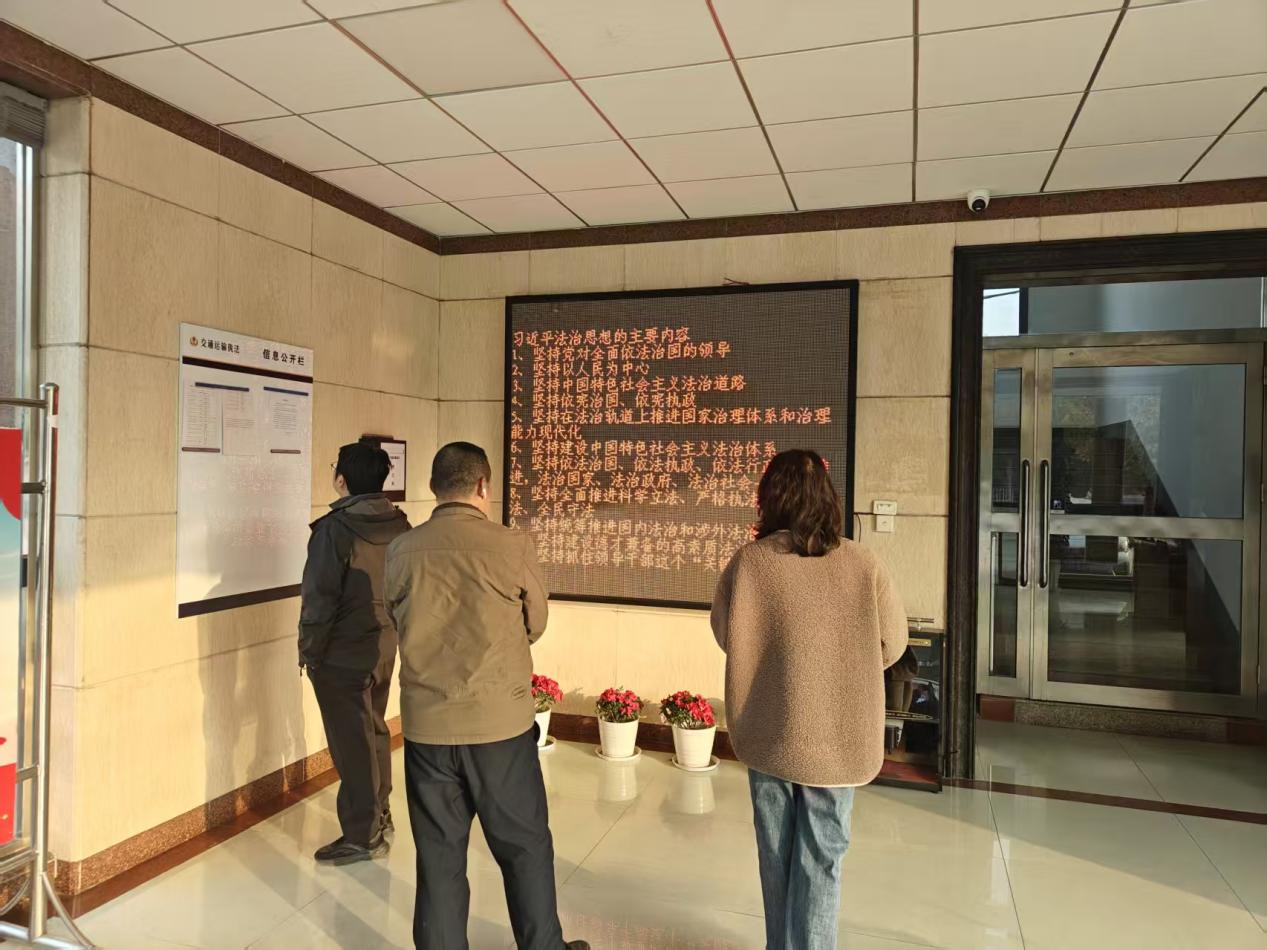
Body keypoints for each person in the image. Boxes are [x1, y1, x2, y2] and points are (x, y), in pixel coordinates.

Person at [385, 442, 587, 950]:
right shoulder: (511, 546)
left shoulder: (401, 550)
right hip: (499, 727)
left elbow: (396, 617)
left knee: (439, 860)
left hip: (428, 730)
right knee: (524, 849)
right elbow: (535, 623)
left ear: (434, 488)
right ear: (483, 485)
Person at [711, 449, 908, 950]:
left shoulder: (750, 563)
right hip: (839, 737)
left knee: (775, 855)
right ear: (828, 497)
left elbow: (726, 633)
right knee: (822, 860)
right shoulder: (863, 563)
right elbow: (892, 644)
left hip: (768, 730)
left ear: (769, 498)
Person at [299, 441, 410, 865]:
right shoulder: (399, 523)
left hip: (341, 653)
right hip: (384, 644)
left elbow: (319, 599)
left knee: (351, 741)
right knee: (375, 729)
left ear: (341, 479)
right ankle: (380, 812)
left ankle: (363, 834)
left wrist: (310, 652)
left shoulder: (334, 530)